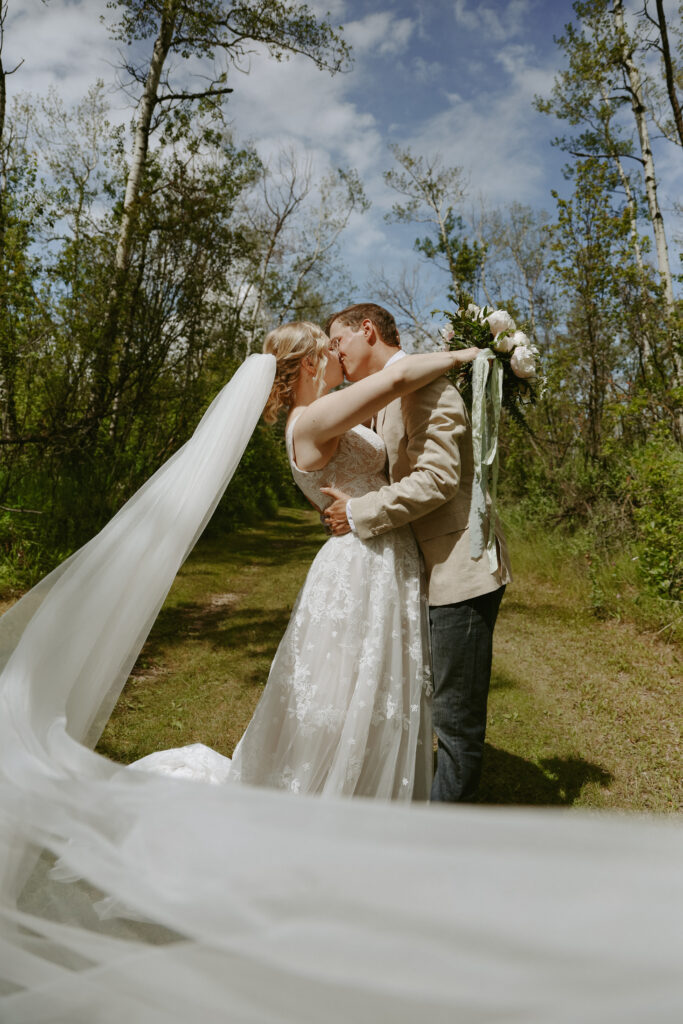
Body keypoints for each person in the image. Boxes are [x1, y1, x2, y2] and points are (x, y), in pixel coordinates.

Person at [134, 321, 480, 800]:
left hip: (379, 549)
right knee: (346, 692)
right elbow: (398, 380)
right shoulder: (312, 419)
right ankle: (334, 792)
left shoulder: (325, 415)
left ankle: (368, 789)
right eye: (330, 345)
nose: (340, 351)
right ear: (312, 362)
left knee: (378, 687)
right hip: (363, 563)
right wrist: (469, 356)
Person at [322, 303, 512, 803]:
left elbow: (439, 478)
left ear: (367, 331)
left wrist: (359, 513)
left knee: (454, 722)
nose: (335, 353)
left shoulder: (424, 384)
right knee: (422, 705)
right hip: (415, 574)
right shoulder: (385, 394)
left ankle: (441, 847)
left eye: (338, 341)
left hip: (459, 570)